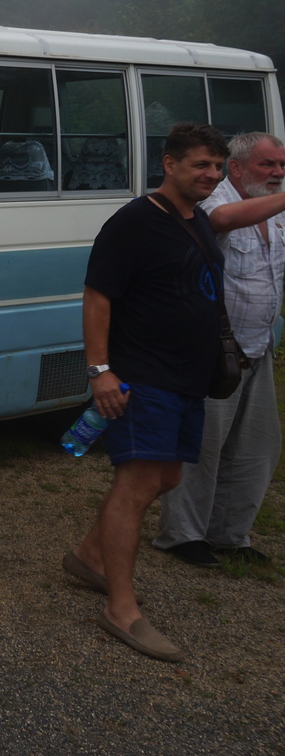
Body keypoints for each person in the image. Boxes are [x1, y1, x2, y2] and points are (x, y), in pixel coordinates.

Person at [65, 122, 230, 662]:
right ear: (170, 164)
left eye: (217, 166)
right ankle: (121, 608)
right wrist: (100, 371)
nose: (211, 174)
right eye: (200, 164)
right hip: (143, 378)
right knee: (136, 484)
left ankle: (91, 555)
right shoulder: (134, 222)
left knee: (168, 476)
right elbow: (97, 298)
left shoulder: (199, 222)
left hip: (187, 379)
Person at [154, 131, 285, 568]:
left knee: (257, 446)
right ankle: (182, 536)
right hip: (216, 349)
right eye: (268, 165)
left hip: (260, 345)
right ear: (238, 167)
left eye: (282, 166)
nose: (277, 174)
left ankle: (230, 535)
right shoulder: (214, 199)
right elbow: (221, 221)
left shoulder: (274, 209)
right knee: (202, 445)